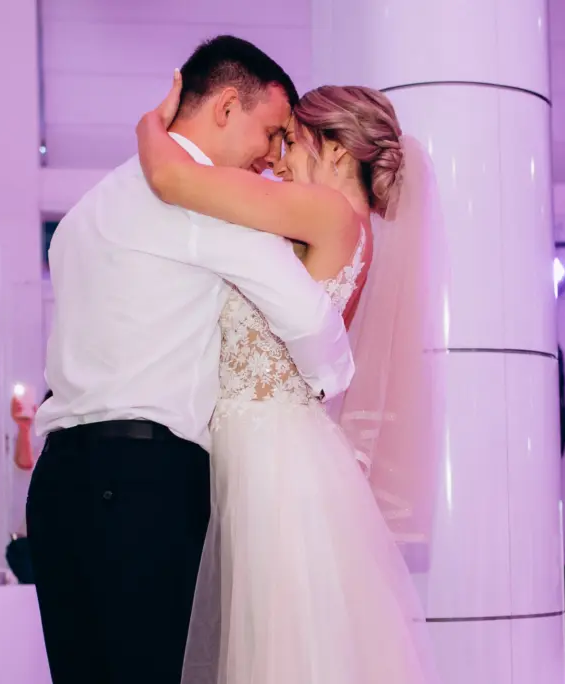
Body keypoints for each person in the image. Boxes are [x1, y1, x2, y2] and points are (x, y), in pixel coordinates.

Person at [29, 36, 355, 684]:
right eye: (270, 132)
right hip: (144, 484)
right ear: (228, 106)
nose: (269, 158)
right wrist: (321, 389)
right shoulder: (209, 207)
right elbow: (308, 319)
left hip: (57, 486)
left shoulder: (84, 213)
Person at [137, 72, 445, 683]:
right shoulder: (345, 231)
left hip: (265, 453)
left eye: (291, 139)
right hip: (279, 447)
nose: (278, 158)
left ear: (334, 148)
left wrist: (150, 124)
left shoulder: (325, 209)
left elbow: (174, 180)